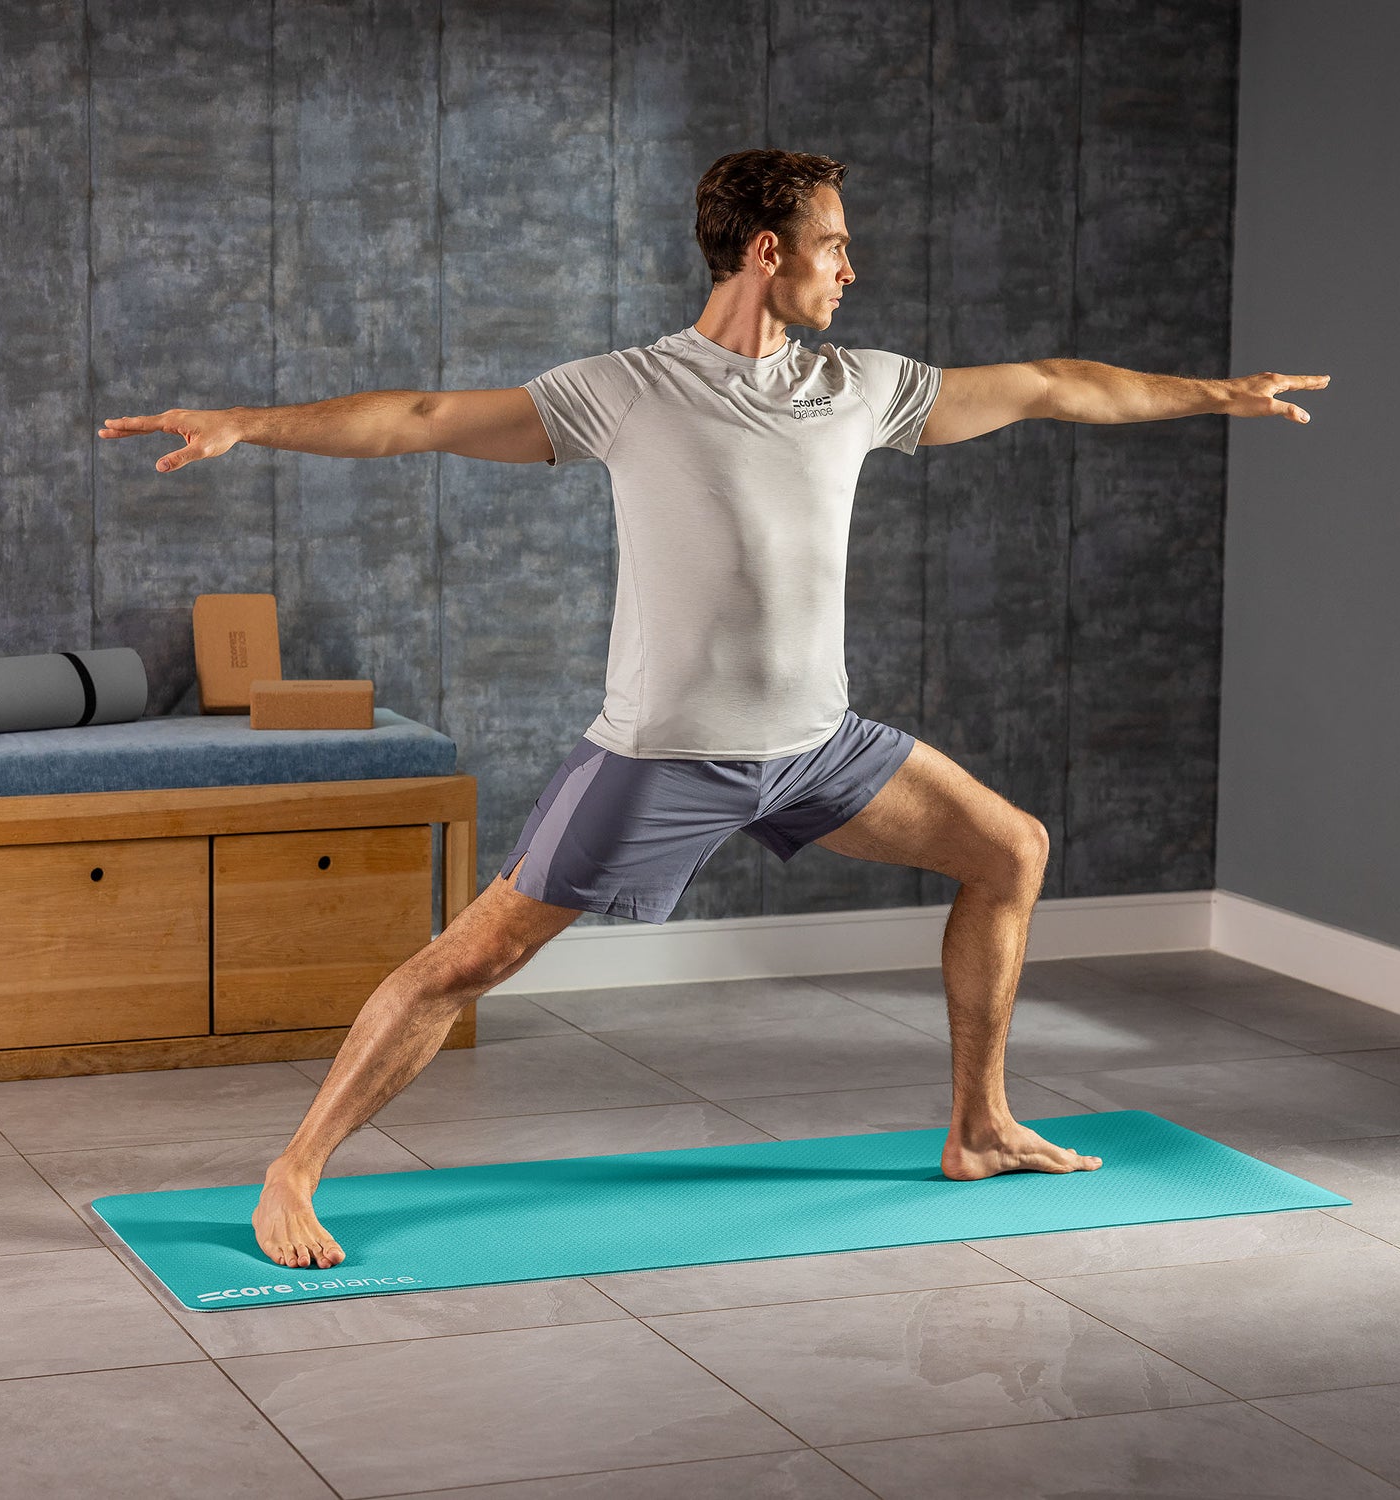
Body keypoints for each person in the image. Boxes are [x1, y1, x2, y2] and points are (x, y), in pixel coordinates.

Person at [99, 148, 1328, 1272]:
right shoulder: (627, 392)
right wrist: (249, 423)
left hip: (819, 747)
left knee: (1010, 850)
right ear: (766, 253)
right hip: (665, 757)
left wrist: (1220, 394)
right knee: (466, 961)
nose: (854, 265)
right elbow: (418, 420)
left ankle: (981, 1124)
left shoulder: (865, 388)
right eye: (835, 244)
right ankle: (293, 1172)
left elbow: (1058, 385)